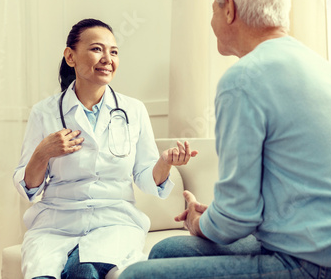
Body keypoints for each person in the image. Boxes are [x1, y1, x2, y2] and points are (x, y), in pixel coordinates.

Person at [121, 0, 331, 279]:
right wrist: (213, 217)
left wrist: (201, 223)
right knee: (165, 250)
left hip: (316, 264)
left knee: (137, 275)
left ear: (228, 9)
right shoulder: (322, 69)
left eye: (213, 10)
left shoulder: (244, 78)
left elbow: (237, 217)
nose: (213, 20)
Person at [13, 18, 198, 279]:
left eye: (113, 52)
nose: (107, 58)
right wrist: (43, 152)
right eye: (97, 49)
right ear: (70, 56)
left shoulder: (133, 110)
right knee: (44, 276)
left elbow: (146, 178)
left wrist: (164, 162)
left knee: (83, 272)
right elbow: (29, 188)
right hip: (56, 222)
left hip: (114, 220)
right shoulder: (44, 113)